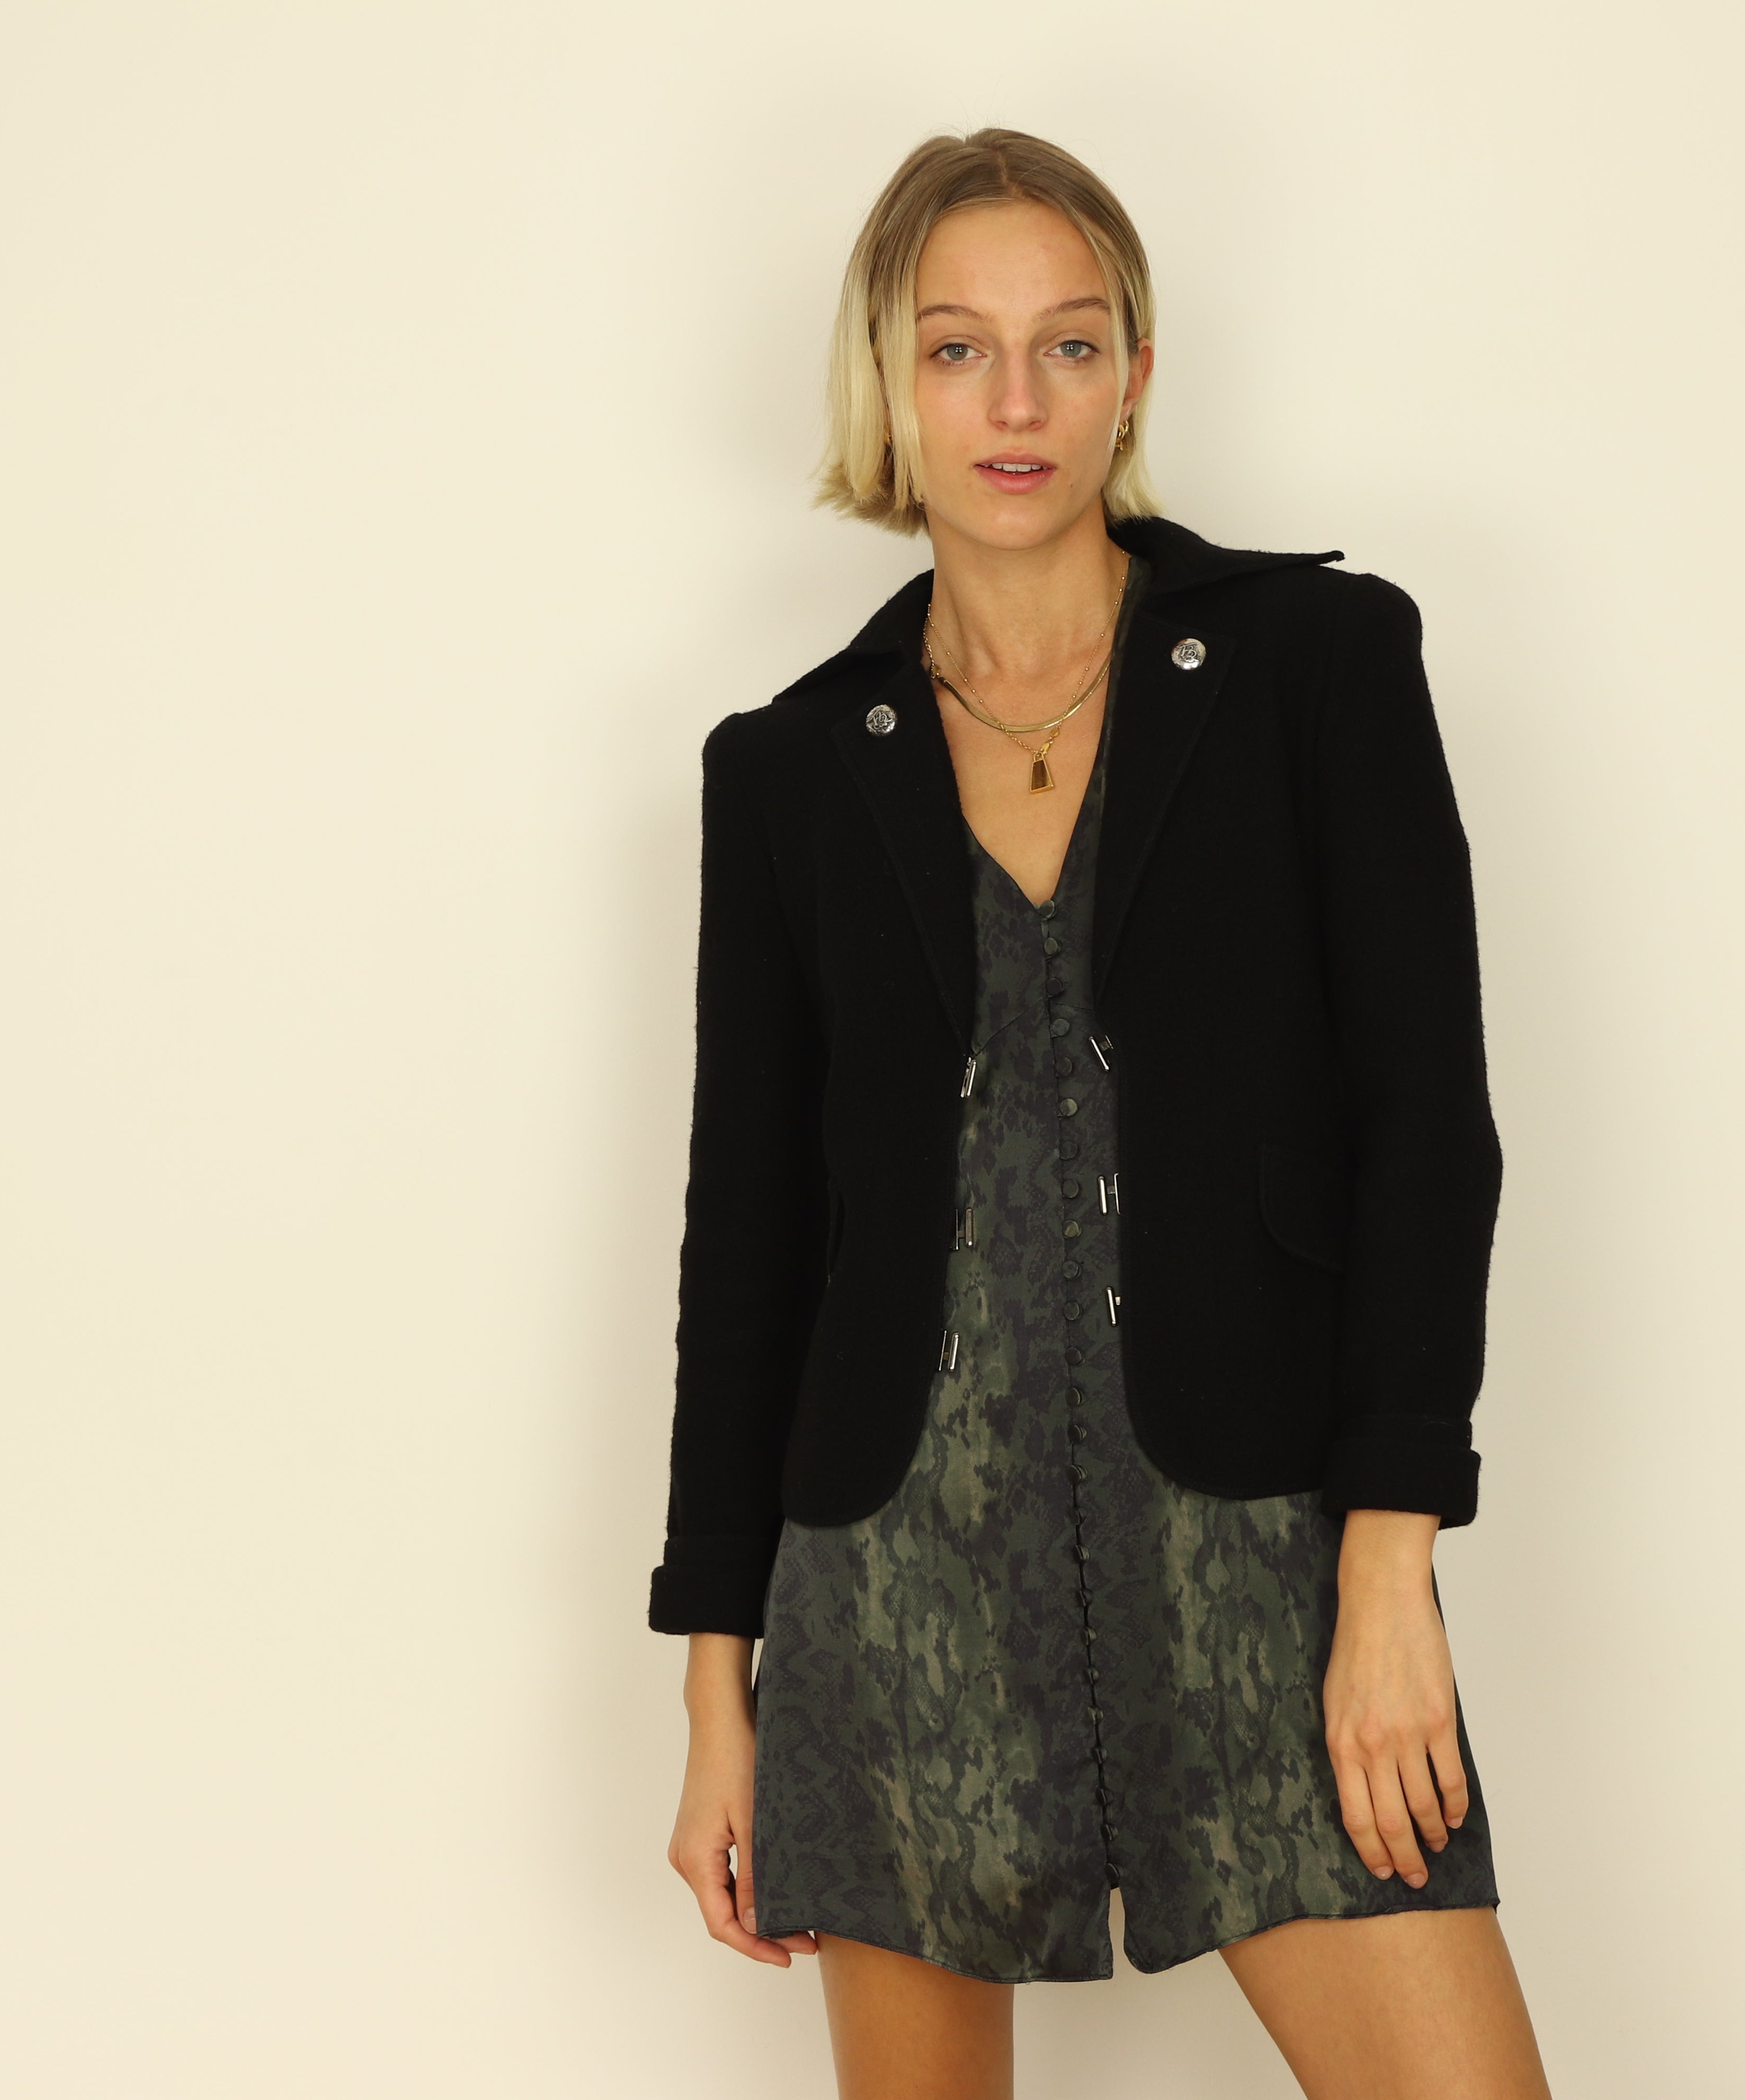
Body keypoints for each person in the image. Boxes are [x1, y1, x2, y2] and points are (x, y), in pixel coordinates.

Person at [652, 128, 1550, 2100]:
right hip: (894, 1592)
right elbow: (753, 1247)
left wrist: (1388, 1568)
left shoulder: (1316, 670)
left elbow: (1428, 1130)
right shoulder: (790, 773)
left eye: (1068, 343)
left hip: (1263, 1563)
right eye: (958, 348)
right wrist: (720, 1690)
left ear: (1135, 370)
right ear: (889, 379)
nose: (1017, 402)